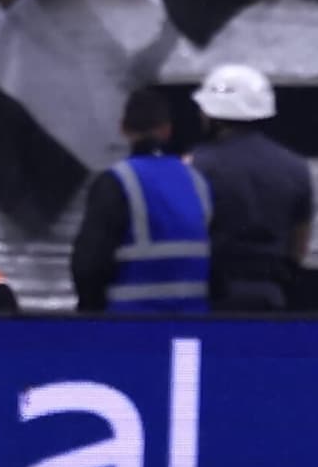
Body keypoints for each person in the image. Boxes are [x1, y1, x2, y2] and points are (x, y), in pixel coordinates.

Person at [71, 87, 212, 313]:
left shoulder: (116, 181)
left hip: (132, 328)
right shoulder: (197, 181)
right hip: (191, 330)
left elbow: (89, 265)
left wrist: (90, 315)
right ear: (167, 131)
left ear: (123, 129)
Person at [189, 64, 313, 312]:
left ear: (213, 113)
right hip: (271, 296)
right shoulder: (295, 167)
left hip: (210, 296)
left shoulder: (195, 166)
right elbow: (298, 247)